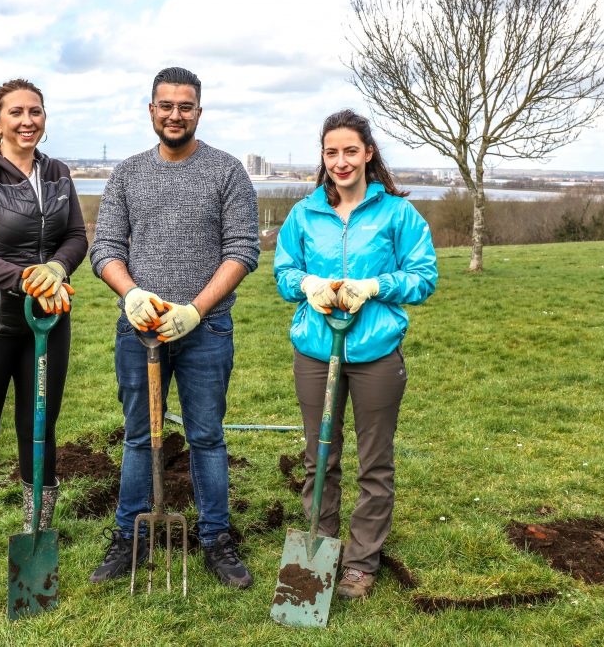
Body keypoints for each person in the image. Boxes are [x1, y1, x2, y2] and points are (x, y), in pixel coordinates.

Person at [88, 67, 260, 589]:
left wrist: (196, 309)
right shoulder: (127, 175)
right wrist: (131, 293)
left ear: (199, 112)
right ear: (151, 111)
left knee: (207, 436)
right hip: (139, 331)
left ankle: (215, 539)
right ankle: (129, 538)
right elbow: (106, 249)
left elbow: (242, 251)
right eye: (166, 105)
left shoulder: (227, 172)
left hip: (206, 332)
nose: (175, 115)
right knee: (139, 436)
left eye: (185, 106)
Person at [273, 108, 437, 599]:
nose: (340, 161)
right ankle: (319, 552)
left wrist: (375, 285)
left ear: (368, 153)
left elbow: (423, 277)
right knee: (318, 457)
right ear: (322, 158)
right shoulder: (305, 213)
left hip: (375, 354)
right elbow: (283, 273)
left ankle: (361, 561)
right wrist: (308, 283)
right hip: (316, 352)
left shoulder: (398, 214)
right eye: (331, 153)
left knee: (375, 463)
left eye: (349, 151)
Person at [0, 78, 88, 577]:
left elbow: (75, 235)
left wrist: (58, 271)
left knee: (40, 431)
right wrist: (26, 279)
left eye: (37, 112)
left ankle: (35, 538)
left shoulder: (58, 172)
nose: (28, 121)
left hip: (46, 324)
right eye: (17, 112)